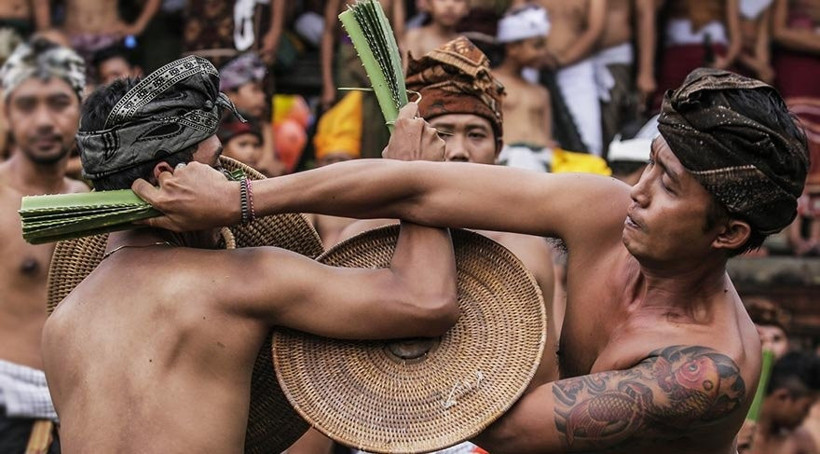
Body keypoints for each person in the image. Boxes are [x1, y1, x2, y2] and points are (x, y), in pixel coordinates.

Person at [134, 65, 810, 453]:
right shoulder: (605, 210)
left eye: (668, 187)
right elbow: (422, 186)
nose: (636, 190)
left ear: (728, 233)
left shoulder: (704, 371)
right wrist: (240, 200)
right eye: (650, 165)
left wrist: (401, 290)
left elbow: (498, 428)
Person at [41, 55, 459, 453]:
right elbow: (425, 302)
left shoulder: (62, 324)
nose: (228, 180)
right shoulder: (236, 281)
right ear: (167, 180)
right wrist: (417, 175)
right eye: (218, 164)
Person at [0, 38, 88, 453]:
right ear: (6, 113)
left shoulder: (93, 203)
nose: (44, 121)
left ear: (80, 109)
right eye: (27, 105)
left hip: (82, 411)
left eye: (58, 103)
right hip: (8, 410)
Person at [321, 0, 405, 158]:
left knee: (379, 120)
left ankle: (376, 166)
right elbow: (328, 33)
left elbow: (400, 37)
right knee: (349, 115)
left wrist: (402, 77)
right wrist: (328, 85)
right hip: (349, 59)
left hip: (381, 59)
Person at [772, 0, 820, 256]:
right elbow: (778, 31)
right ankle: (794, 233)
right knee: (797, 145)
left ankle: (815, 236)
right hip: (796, 74)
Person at [538, 0, 607, 156]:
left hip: (576, 68)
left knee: (589, 142)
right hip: (533, 65)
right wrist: (536, 55)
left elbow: (595, 29)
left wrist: (561, 59)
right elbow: (518, 14)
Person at [492, 5, 555, 172]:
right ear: (512, 47)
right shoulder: (491, 82)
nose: (543, 53)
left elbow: (547, 134)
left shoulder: (541, 92)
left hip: (541, 161)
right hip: (507, 162)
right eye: (537, 46)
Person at [653, 0, 742, 111]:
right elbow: (649, 11)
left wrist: (725, 61)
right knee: (667, 107)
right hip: (676, 59)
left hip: (712, 58)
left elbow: (736, 39)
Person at [61, 0, 160, 84]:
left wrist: (138, 27)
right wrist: (55, 35)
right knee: (72, 89)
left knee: (116, 85)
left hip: (108, 39)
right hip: (72, 40)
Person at [219, 52, 284, 177]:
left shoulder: (261, 125)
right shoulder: (212, 130)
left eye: (263, 91)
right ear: (230, 94)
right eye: (255, 90)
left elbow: (270, 167)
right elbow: (266, 165)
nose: (263, 97)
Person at [742, 352, 820, 454]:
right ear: (783, 397)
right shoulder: (736, 436)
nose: (807, 415)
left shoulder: (801, 442)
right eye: (805, 407)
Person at [404, 0, 469, 60]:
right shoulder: (416, 37)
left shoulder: (464, 45)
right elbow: (406, 68)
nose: (449, 5)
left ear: (466, 7)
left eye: (457, 0)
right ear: (428, 4)